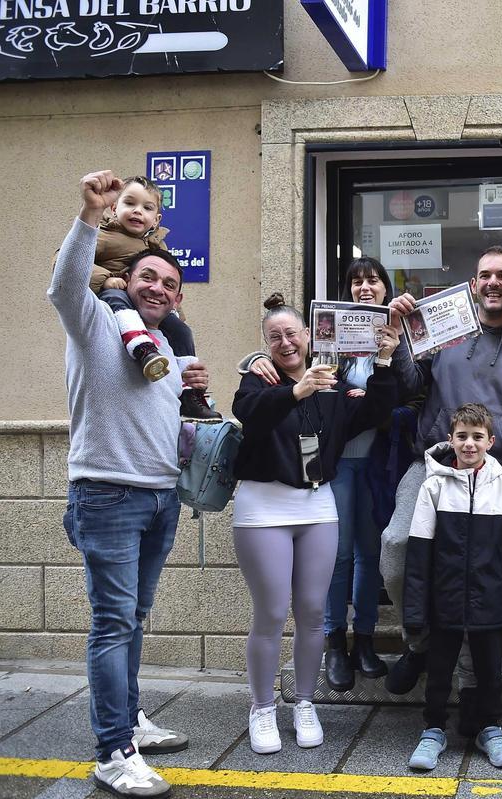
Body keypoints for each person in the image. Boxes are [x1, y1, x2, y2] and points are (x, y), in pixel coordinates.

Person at [50, 170, 208, 798]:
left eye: (170, 283)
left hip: (159, 496)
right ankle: (113, 750)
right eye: (149, 277)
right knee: (113, 622)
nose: (160, 288)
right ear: (126, 280)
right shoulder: (95, 320)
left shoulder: (166, 348)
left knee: (134, 618)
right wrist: (90, 216)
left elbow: (167, 423)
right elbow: (63, 285)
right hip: (107, 494)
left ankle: (129, 722)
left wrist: (196, 399)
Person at [379, 245, 502, 704]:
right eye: (484, 275)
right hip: (432, 462)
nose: (492, 282)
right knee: (396, 546)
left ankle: (474, 697)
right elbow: (412, 382)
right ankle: (420, 643)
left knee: (476, 574)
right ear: (473, 285)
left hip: (493, 472)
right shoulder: (447, 325)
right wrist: (398, 338)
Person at [230, 293, 398, 756]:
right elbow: (249, 413)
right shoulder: (257, 378)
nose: (285, 342)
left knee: (312, 612)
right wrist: (294, 390)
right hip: (263, 508)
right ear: (265, 344)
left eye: (292, 333)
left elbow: (374, 412)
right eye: (274, 337)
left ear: (309, 336)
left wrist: (384, 359)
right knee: (269, 613)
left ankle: (305, 703)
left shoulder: (335, 384)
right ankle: (262, 707)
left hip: (318, 505)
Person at [244, 259, 422, 693]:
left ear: (385, 287)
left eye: (372, 280)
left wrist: (381, 376)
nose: (364, 287)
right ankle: (334, 643)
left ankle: (363, 640)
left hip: (379, 462)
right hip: (332, 464)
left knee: (368, 553)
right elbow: (286, 364)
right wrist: (254, 359)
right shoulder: (328, 337)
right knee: (338, 556)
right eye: (355, 281)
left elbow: (415, 392)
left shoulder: (398, 337)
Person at [403, 404, 502, 772]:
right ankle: (433, 729)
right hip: (444, 600)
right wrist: (413, 612)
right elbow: (418, 555)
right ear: (450, 440)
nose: (469, 444)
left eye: (477, 437)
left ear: (491, 442)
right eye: (462, 437)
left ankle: (491, 727)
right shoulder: (433, 488)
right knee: (440, 670)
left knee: (490, 671)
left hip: (490, 598)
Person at [82, 175, 218, 420]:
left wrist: (174, 314)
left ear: (156, 219)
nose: (137, 212)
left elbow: (169, 289)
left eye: (146, 207)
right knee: (116, 295)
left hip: (145, 313)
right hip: (116, 299)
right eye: (130, 204)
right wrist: (105, 279)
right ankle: (143, 349)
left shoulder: (159, 248)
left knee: (182, 331)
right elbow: (68, 261)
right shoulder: (104, 236)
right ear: (114, 207)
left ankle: (191, 395)